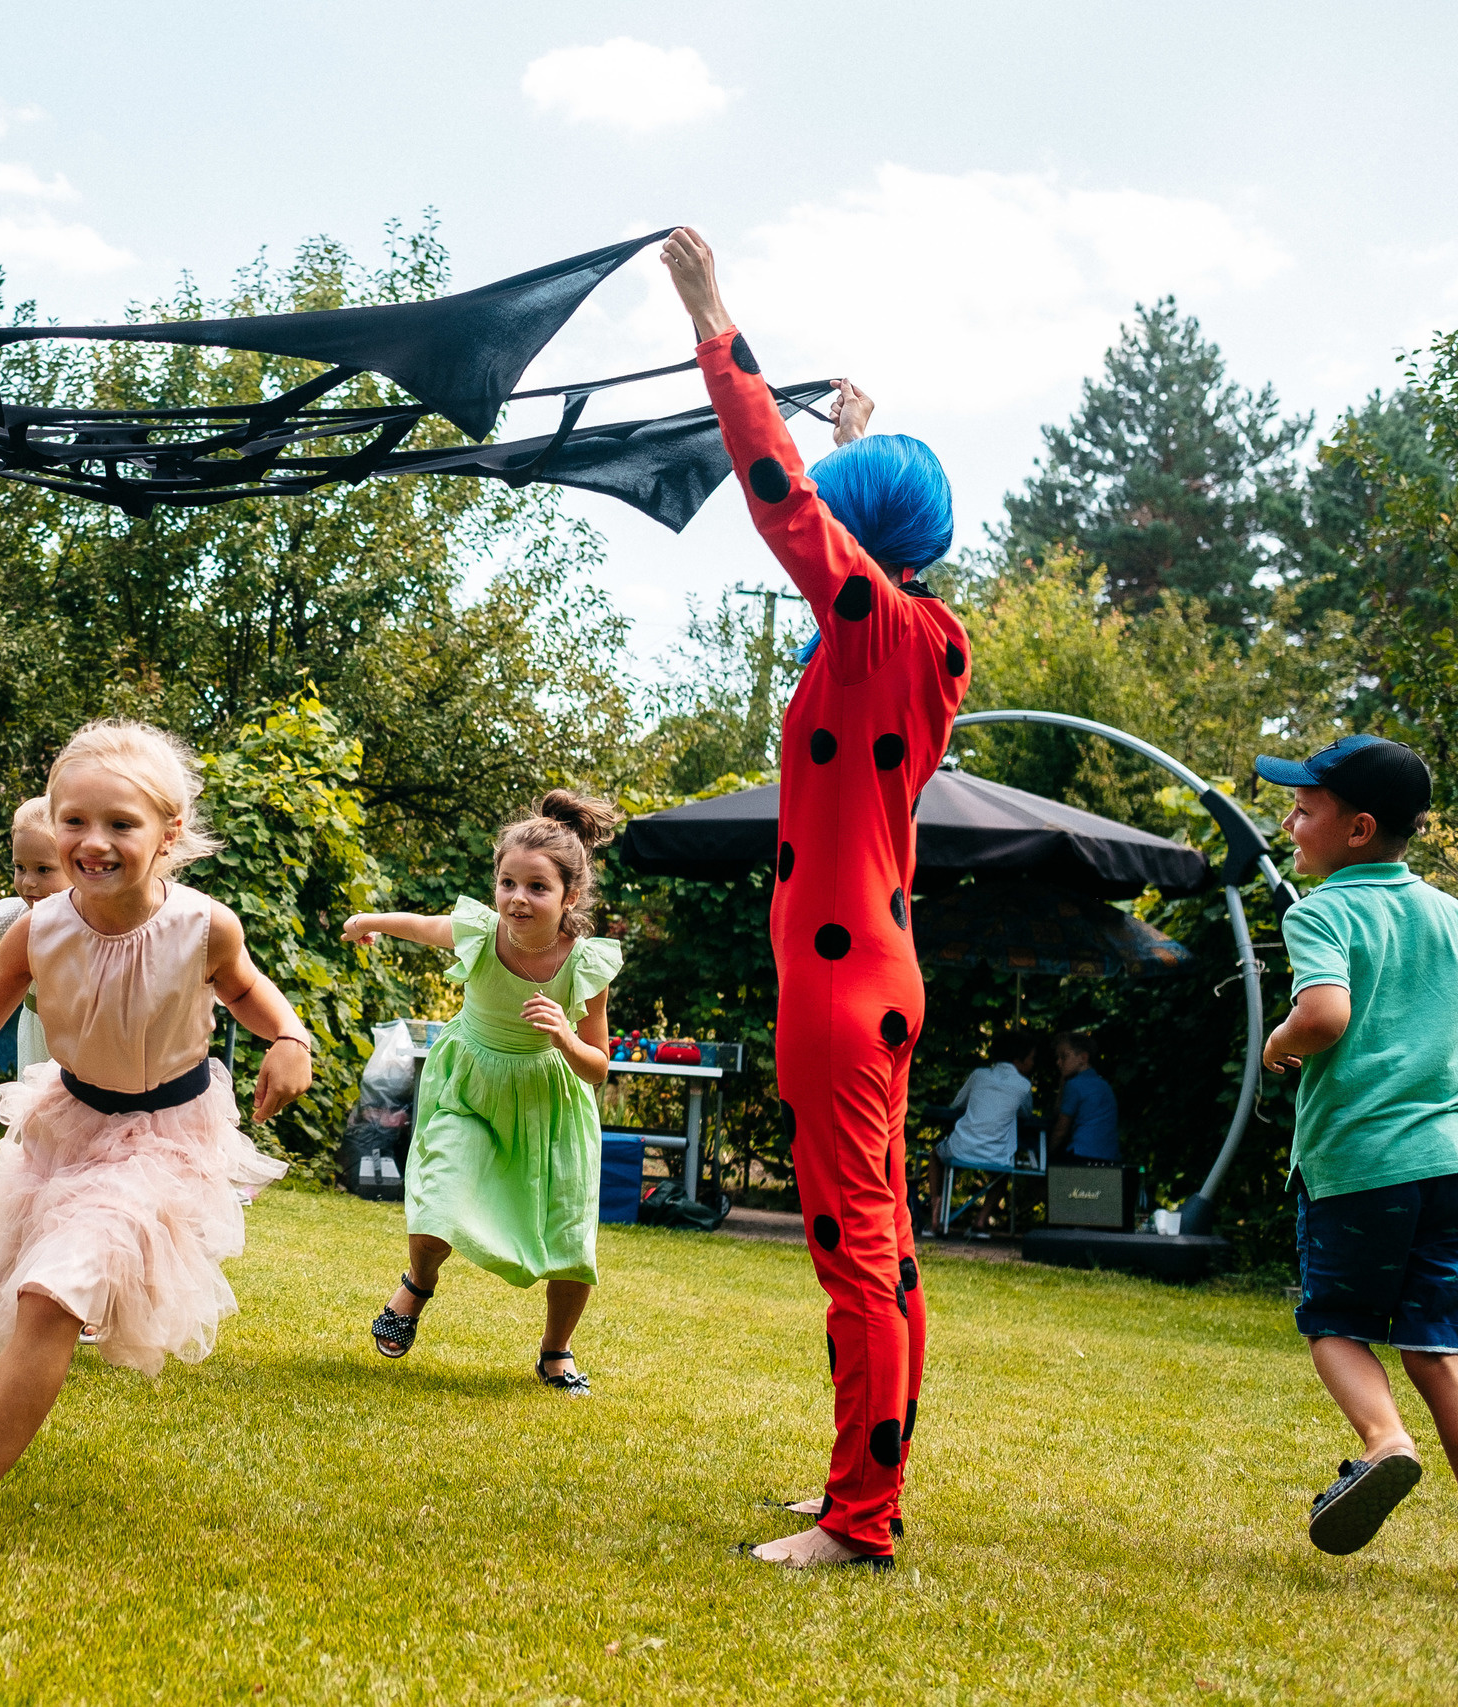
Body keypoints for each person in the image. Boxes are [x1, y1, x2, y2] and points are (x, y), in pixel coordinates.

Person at [662, 227, 969, 1569]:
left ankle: (862, 1519)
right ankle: (864, 1477)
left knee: (856, 1254)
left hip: (843, 997)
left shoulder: (873, 628)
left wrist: (715, 317)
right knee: (882, 1247)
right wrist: (864, 432)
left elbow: (781, 494)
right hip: (872, 974)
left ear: (869, 539)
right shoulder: (915, 636)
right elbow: (844, 514)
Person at [0, 720, 315, 1573]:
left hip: (166, 1137)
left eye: (121, 823)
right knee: (45, 1292)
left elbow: (252, 992)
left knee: (52, 1290)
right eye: (74, 820)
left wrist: (289, 1037)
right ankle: (1, 1430)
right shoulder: (38, 929)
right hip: (69, 1124)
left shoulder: (204, 927)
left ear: (168, 833)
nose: (94, 841)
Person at [340, 791, 624, 1393]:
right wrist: (369, 922)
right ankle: (416, 1286)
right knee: (439, 1192)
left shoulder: (587, 964)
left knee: (569, 1231)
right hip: (469, 1085)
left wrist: (565, 1039)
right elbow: (423, 927)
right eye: (507, 883)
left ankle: (556, 1350)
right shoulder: (480, 933)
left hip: (550, 1101)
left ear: (568, 897)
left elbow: (598, 1067)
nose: (518, 898)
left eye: (537, 888)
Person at [1254, 734, 1458, 1557]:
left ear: (1359, 829)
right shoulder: (1448, 914)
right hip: (1447, 1162)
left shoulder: (1324, 911)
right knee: (1437, 1342)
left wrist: (1279, 1041)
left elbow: (1328, 1015)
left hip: (1360, 1165)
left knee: (1335, 1322)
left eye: (1304, 810)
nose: (1290, 821)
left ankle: (1384, 1444)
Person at [0, 796, 69, 1081]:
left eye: (43, 869)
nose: (28, 881)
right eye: (20, 867)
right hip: (35, 1028)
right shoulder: (13, 916)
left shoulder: (89, 922)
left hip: (77, 1035)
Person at [924, 1030, 1042, 1239]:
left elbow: (957, 1105)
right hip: (996, 1154)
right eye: (1032, 1059)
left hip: (960, 1147)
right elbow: (1026, 1114)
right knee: (1003, 1174)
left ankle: (936, 1209)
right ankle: (981, 1220)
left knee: (935, 1155)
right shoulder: (1023, 1086)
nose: (1033, 1064)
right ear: (1018, 1059)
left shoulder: (979, 1075)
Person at [1051, 1032, 1120, 1164]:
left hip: (1082, 1153)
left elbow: (1061, 1128)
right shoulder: (1104, 1085)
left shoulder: (1074, 1085)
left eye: (1064, 1057)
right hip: (1110, 1156)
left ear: (1083, 1058)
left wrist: (1049, 1154)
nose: (1058, 1062)